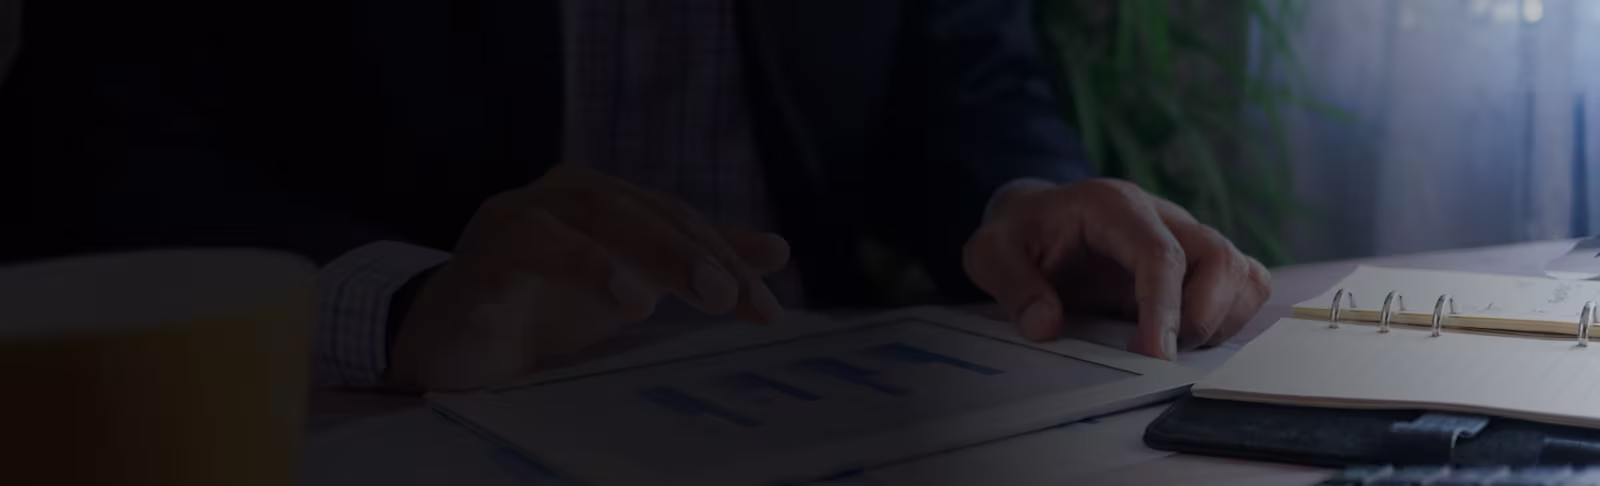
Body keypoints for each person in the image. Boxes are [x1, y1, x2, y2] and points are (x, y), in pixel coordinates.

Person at [2, 0, 1269, 391]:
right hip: (376, 415)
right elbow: (88, 150)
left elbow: (966, 77)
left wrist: (1034, 200)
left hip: (820, 412)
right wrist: (406, 304)